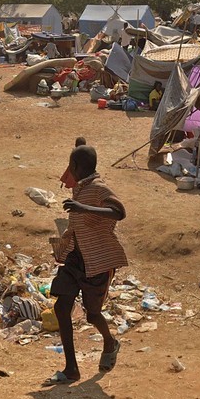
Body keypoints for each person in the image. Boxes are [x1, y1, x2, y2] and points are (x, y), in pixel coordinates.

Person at [46, 145, 127, 386]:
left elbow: (119, 212)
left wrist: (84, 208)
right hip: (75, 259)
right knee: (61, 308)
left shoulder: (98, 189)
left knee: (92, 315)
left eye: (71, 165)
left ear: (77, 167)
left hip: (98, 262)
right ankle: (71, 369)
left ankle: (110, 342)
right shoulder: (80, 188)